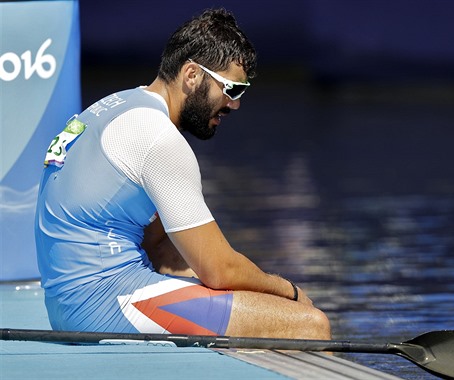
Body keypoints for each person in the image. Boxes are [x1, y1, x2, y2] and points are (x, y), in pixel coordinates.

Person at [35, 8, 331, 340]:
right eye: (231, 90)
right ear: (191, 75)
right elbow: (220, 271)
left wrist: (249, 297)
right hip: (105, 305)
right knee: (309, 323)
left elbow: (158, 245)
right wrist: (288, 291)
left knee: (254, 303)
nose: (235, 105)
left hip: (66, 307)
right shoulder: (160, 139)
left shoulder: (118, 104)